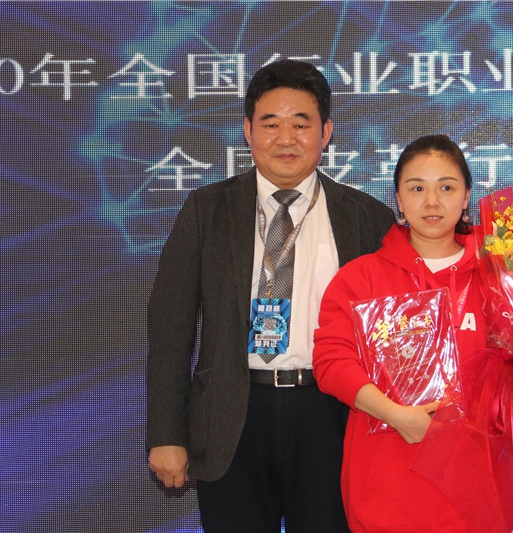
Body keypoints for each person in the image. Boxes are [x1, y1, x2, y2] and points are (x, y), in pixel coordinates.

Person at [146, 59, 395, 533]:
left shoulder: (365, 217)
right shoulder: (206, 210)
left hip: (330, 414)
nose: (286, 138)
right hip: (231, 415)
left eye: (301, 124)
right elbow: (170, 329)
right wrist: (166, 433)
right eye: (271, 124)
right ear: (248, 131)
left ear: (325, 133)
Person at [312, 134, 513, 532]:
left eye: (446, 187)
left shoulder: (509, 277)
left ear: (466, 197)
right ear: (398, 199)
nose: (431, 201)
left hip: (478, 488)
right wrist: (395, 415)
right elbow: (330, 362)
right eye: (417, 188)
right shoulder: (361, 277)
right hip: (388, 484)